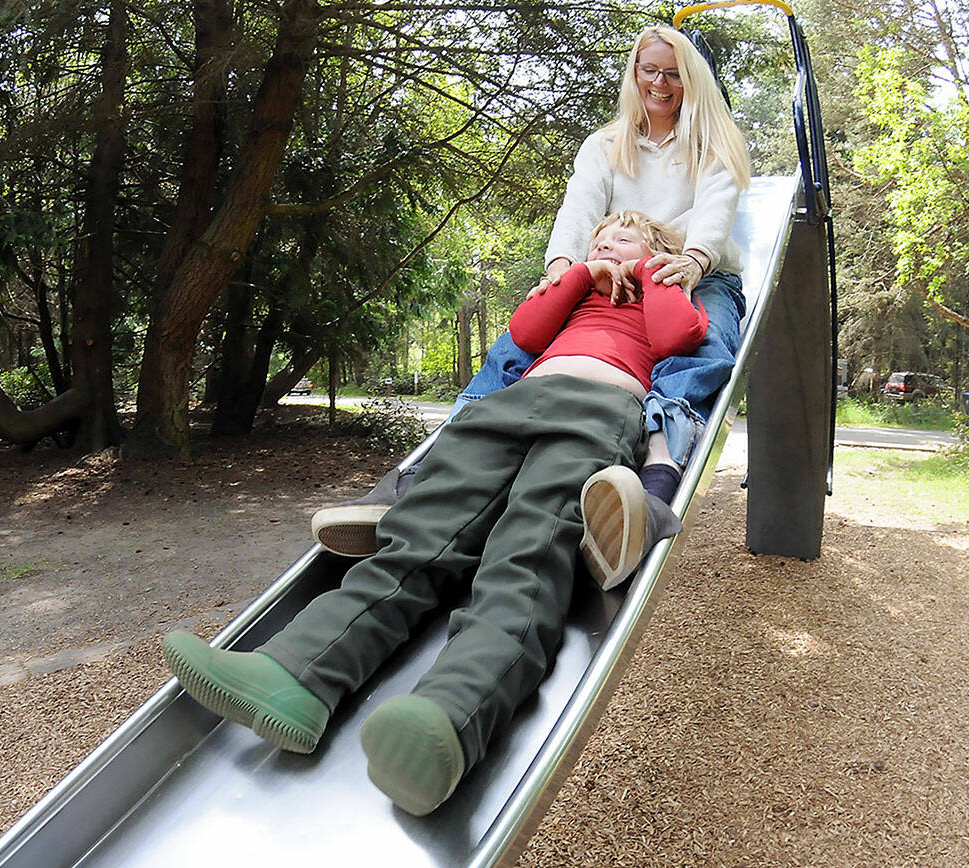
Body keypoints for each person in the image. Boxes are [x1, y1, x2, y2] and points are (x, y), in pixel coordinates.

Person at [162, 211, 706, 817]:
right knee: (419, 537)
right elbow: (526, 332)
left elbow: (678, 338)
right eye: (598, 240)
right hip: (510, 405)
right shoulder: (577, 291)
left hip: (598, 410)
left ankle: (449, 715)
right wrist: (581, 275)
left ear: (655, 247)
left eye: (622, 239)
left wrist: (655, 276)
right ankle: (297, 672)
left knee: (526, 553)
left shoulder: (667, 290)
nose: (606, 246)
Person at [310, 25, 751, 583]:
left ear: (691, 80)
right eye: (648, 70)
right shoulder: (606, 144)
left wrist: (692, 262)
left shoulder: (712, 144)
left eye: (672, 73)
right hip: (607, 271)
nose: (659, 83)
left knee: (700, 347)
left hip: (686, 268)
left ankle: (657, 481)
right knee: (520, 340)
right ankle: (421, 473)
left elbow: (715, 212)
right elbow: (578, 209)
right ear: (634, 73)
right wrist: (563, 269)